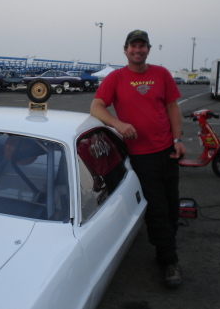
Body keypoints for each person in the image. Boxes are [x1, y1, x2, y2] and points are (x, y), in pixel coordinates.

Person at [90, 29, 187, 288]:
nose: (137, 50)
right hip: (141, 157)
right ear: (125, 50)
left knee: (171, 206)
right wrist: (118, 124)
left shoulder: (162, 74)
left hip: (167, 151)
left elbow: (172, 108)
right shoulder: (116, 78)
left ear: (148, 49)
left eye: (142, 46)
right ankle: (169, 260)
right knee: (156, 210)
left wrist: (178, 140)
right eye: (133, 46)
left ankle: (165, 248)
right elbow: (96, 106)